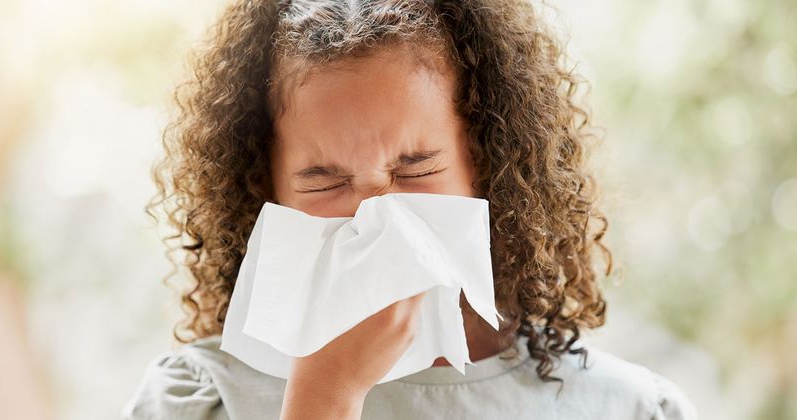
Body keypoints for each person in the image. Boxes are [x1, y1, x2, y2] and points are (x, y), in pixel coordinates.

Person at [123, 0, 698, 419]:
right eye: (325, 181)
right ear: (265, 192)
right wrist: (326, 397)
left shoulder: (626, 409)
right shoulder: (200, 398)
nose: (377, 216)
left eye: (416, 169)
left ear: (487, 166)